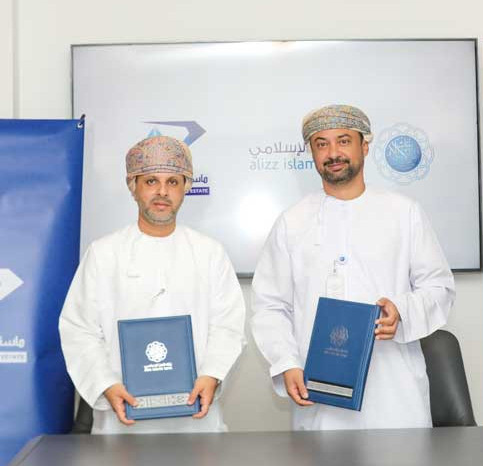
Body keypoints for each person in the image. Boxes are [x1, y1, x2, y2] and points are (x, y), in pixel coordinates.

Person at [251, 104, 455, 430]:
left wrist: (402, 311)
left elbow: (439, 287)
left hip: (393, 392)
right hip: (319, 393)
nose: (333, 153)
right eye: (322, 144)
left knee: (399, 462)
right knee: (324, 462)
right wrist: (286, 363)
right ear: (312, 153)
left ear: (365, 146)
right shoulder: (292, 222)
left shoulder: (404, 213)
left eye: (344, 141)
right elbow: (270, 305)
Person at [60, 135, 245, 434]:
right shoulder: (103, 253)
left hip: (195, 419)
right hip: (123, 420)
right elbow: (79, 329)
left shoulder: (209, 252)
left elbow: (228, 326)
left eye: (173, 182)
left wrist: (211, 375)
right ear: (133, 186)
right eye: (150, 181)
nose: (162, 192)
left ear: (186, 187)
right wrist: (106, 385)